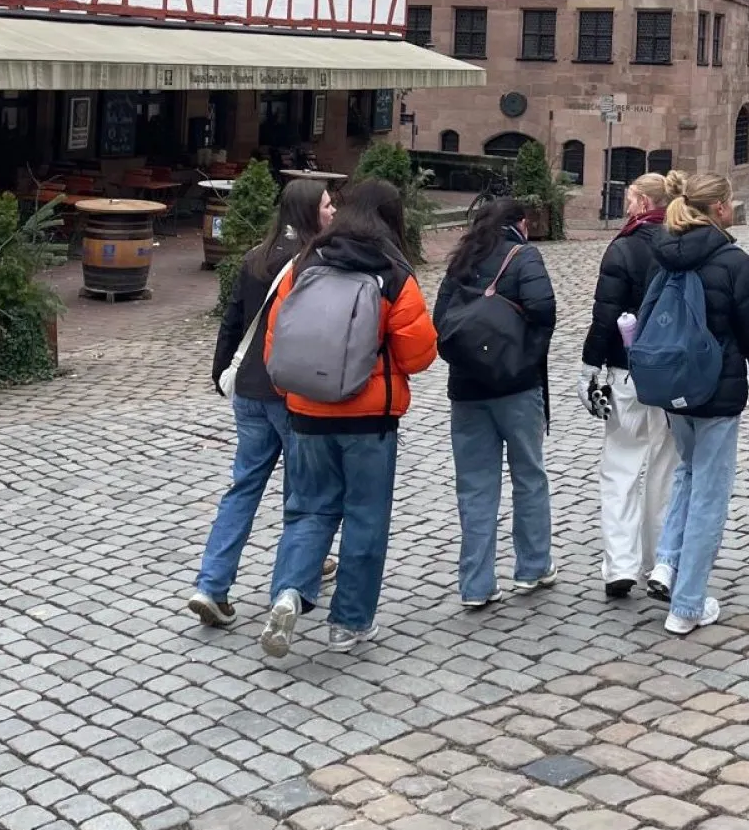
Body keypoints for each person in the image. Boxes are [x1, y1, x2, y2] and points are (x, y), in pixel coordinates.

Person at [259, 207, 437, 656]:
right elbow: (419, 356)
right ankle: (349, 622)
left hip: (306, 413)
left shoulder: (301, 269)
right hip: (368, 421)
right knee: (365, 516)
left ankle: (289, 593)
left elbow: (273, 344)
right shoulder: (394, 276)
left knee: (309, 510)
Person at [189, 178, 334, 627]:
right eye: (329, 206)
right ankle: (291, 582)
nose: (334, 213)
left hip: (248, 392)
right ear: (310, 211)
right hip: (288, 392)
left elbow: (232, 323)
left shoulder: (254, 256)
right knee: (302, 491)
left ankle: (212, 585)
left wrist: (219, 375)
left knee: (243, 487)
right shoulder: (314, 262)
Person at [642, 171, 749, 636]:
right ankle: (688, 603)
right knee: (710, 494)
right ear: (719, 208)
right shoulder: (734, 262)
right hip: (717, 390)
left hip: (673, 387)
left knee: (687, 471)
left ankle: (666, 562)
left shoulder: (665, 255)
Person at [434, 198, 557, 608]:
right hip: (517, 389)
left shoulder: (461, 260)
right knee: (529, 477)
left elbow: (441, 322)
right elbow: (544, 310)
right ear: (520, 223)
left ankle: (475, 584)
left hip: (467, 390)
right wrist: (522, 356)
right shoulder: (525, 256)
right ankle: (533, 567)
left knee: (474, 487)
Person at [579, 173, 678, 599]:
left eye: (630, 198)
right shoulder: (681, 242)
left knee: (620, 467)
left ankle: (619, 564)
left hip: (626, 371)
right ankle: (660, 563)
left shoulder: (624, 246)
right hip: (673, 372)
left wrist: (589, 368)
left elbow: (605, 314)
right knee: (665, 470)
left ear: (641, 203)